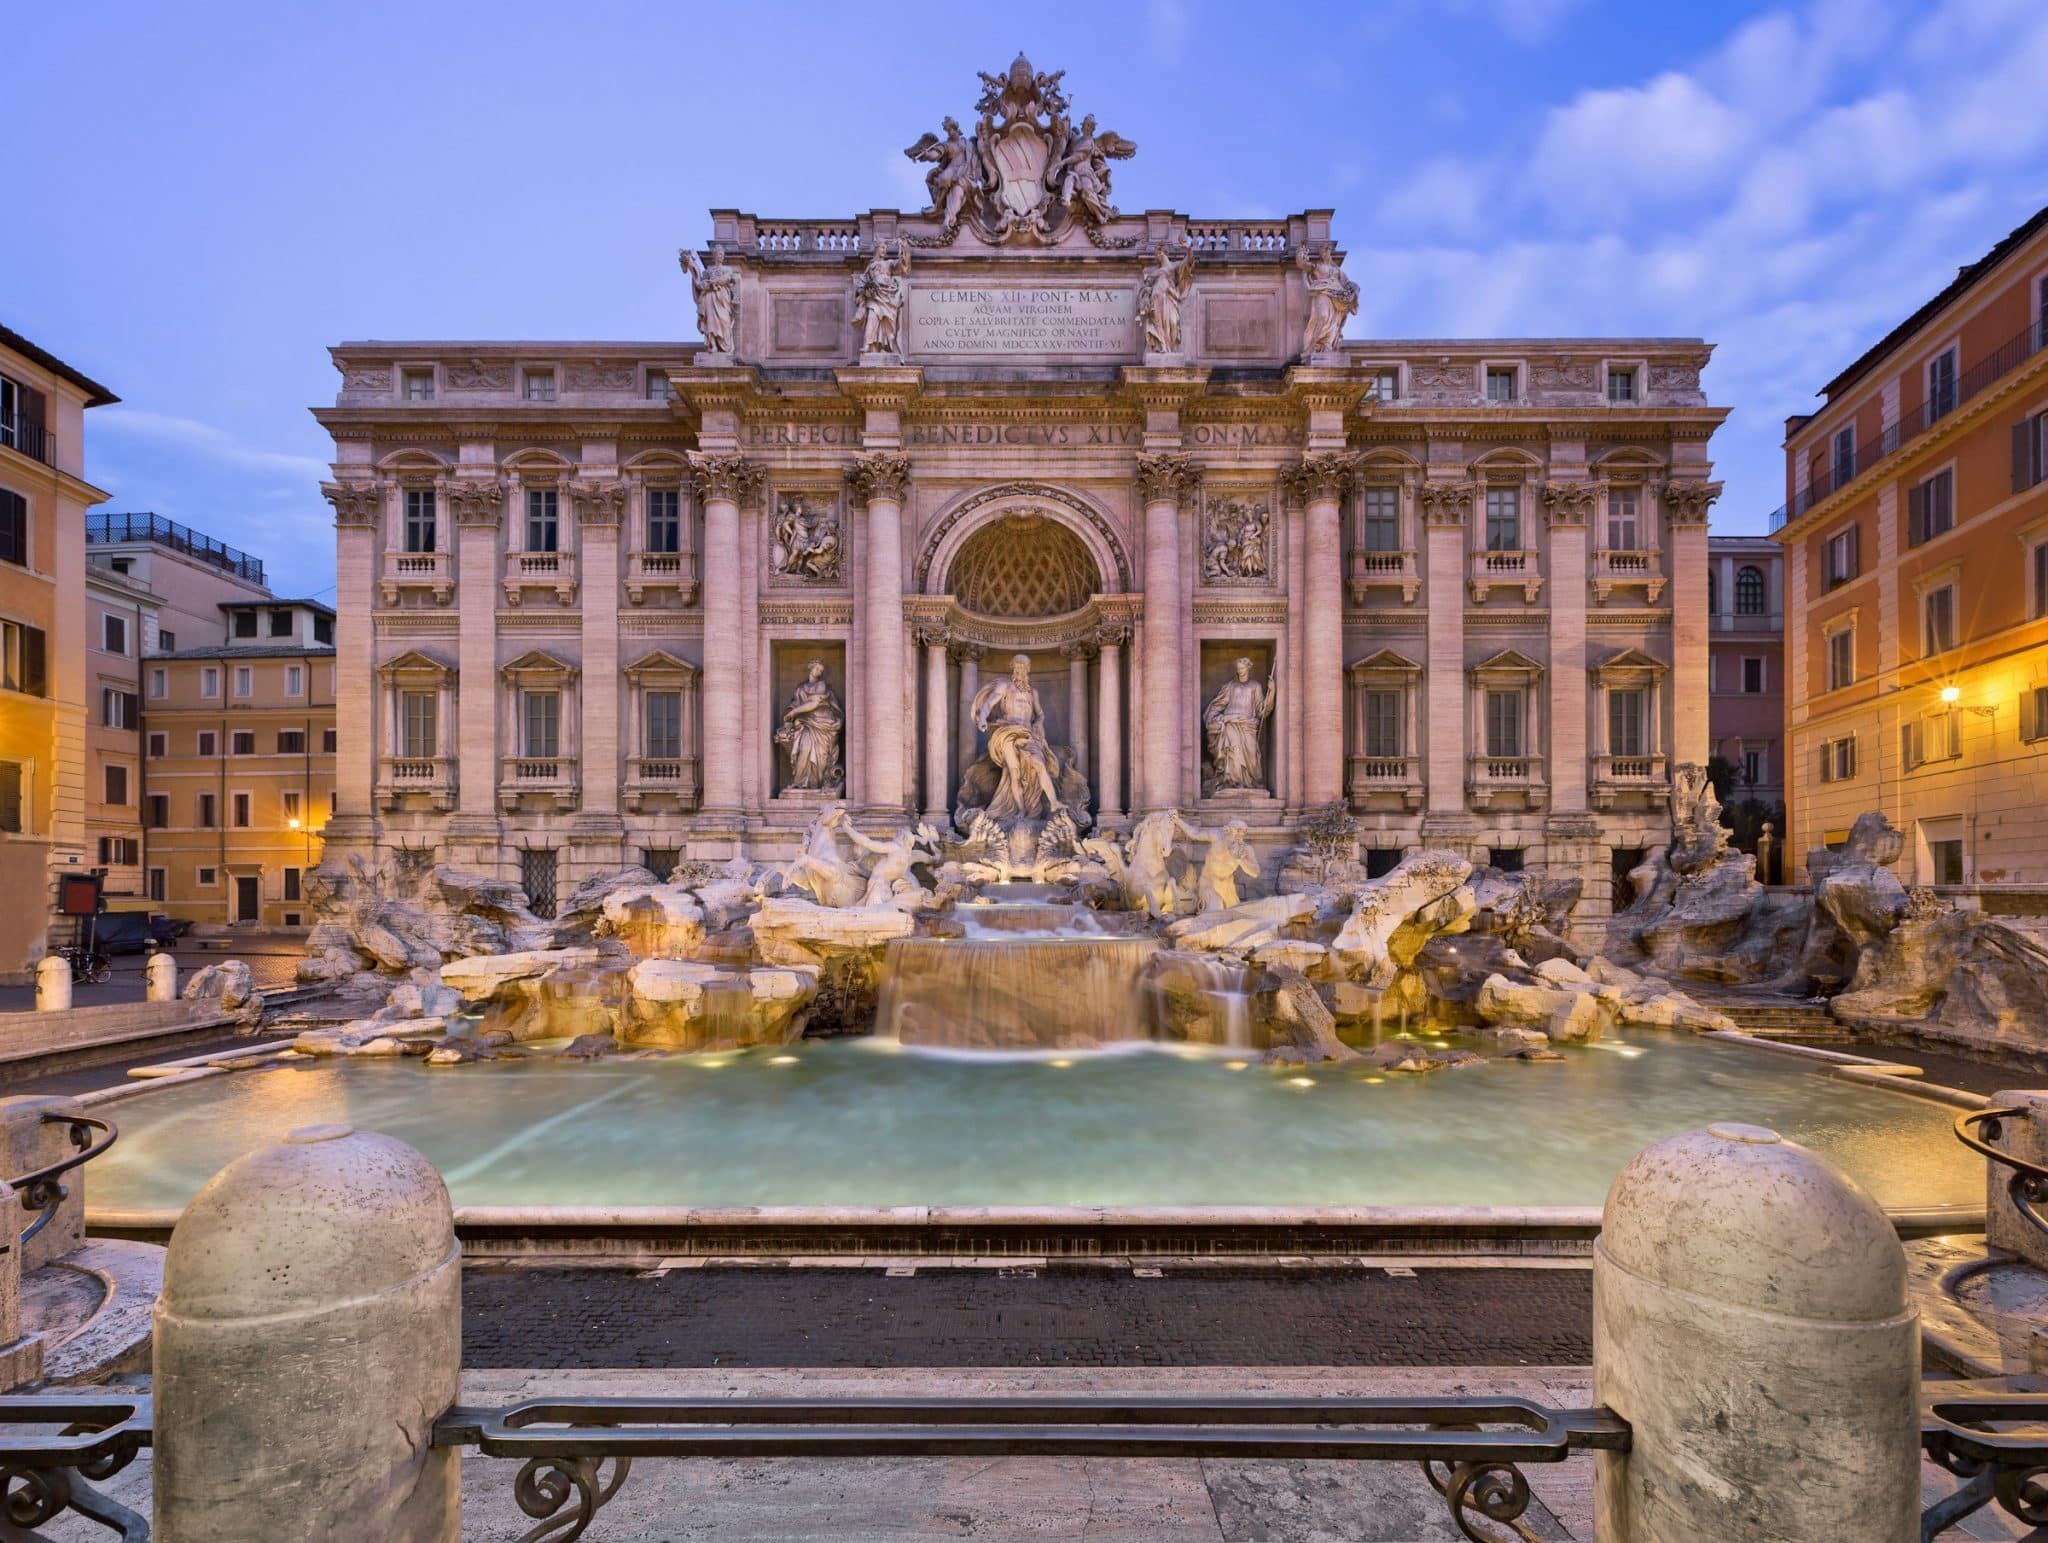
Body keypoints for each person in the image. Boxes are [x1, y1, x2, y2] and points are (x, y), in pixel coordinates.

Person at [1204, 657, 1276, 792]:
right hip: (1231, 723)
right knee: (1234, 753)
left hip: (1248, 725)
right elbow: (1219, 704)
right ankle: (1233, 783)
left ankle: (1250, 783)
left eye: (1242, 668)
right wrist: (1214, 718)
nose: (1240, 671)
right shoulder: (1230, 686)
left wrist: (1271, 692)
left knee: (1252, 756)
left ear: (1248, 668)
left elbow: (1261, 710)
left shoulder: (1255, 686)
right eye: (1238, 668)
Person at [775, 660, 844, 791]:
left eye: (821, 670)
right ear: (810, 668)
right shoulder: (800, 689)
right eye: (817, 669)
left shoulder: (821, 685)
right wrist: (790, 716)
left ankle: (816, 784)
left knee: (821, 756)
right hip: (805, 724)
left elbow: (814, 704)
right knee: (804, 749)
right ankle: (800, 782)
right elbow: (794, 705)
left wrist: (794, 712)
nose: (819, 672)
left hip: (823, 723)